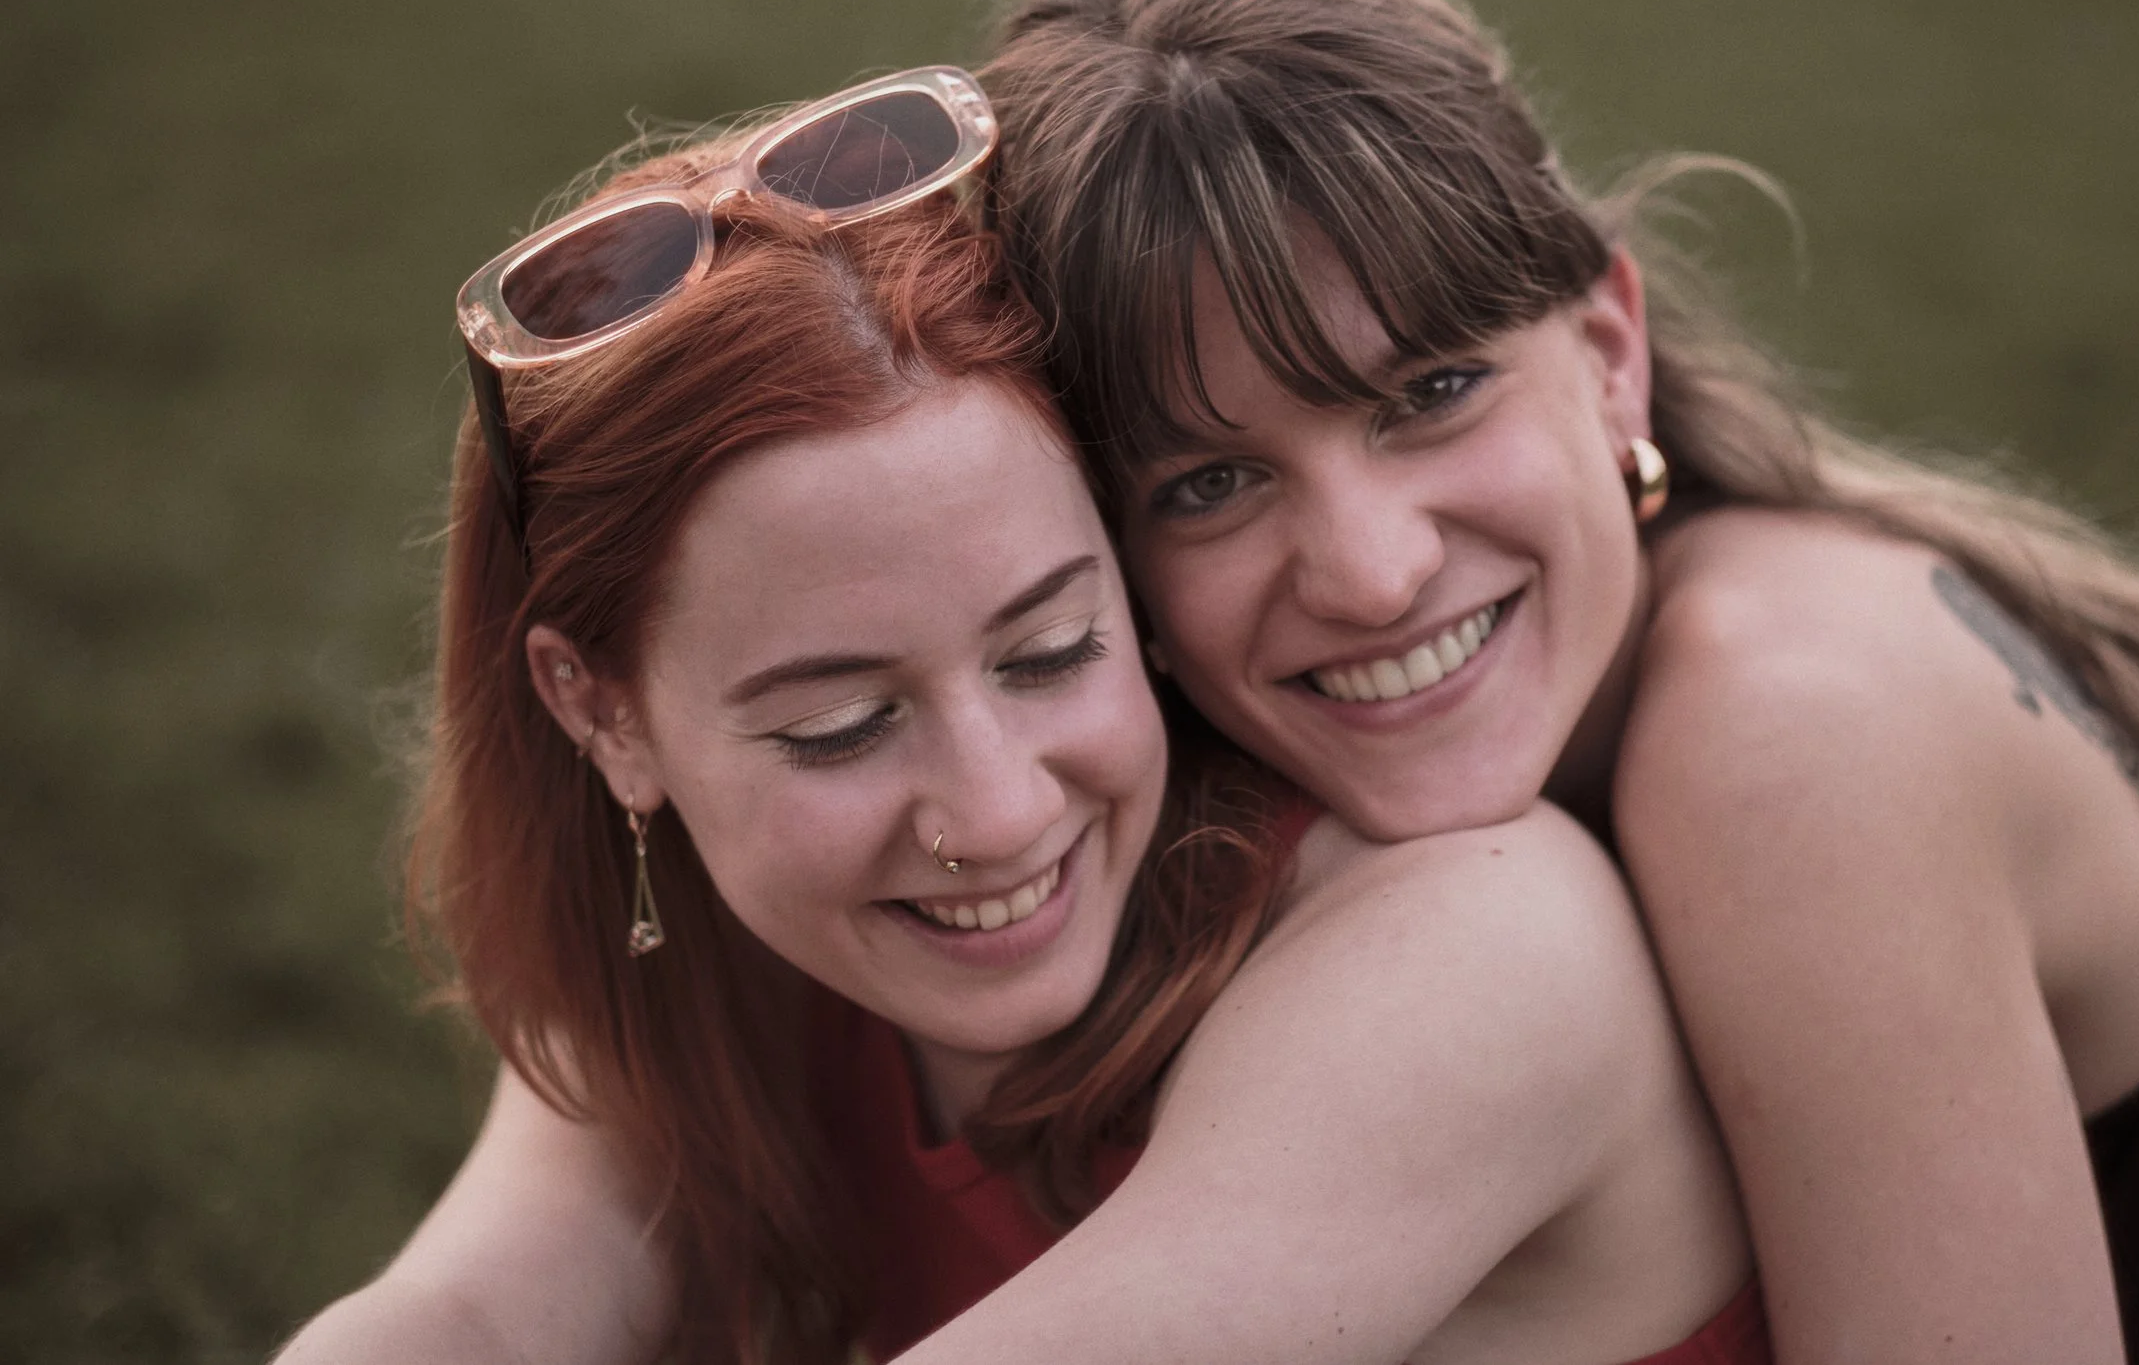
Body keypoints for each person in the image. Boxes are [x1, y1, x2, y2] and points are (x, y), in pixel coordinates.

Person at [973, 0, 2139, 1365]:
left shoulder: (1791, 727)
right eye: (1214, 482)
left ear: (1609, 358)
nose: (1370, 574)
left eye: (1430, 393)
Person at [276, 70, 1765, 1365]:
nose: (994, 812)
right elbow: (469, 1316)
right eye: (839, 727)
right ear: (603, 716)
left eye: (1051, 649)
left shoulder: (1484, 952)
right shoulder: (720, 952)